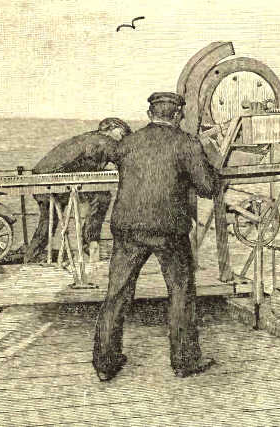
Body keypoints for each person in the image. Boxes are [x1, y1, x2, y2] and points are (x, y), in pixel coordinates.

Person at [93, 92, 220, 381]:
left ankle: (104, 363)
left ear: (150, 114)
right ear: (177, 116)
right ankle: (185, 361)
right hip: (168, 230)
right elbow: (207, 188)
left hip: (127, 228)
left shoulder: (127, 143)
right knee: (181, 292)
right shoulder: (187, 143)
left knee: (116, 294)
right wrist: (209, 157)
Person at [22, 117, 131, 264]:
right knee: (102, 197)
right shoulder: (105, 141)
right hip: (53, 184)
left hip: (42, 182)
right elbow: (123, 161)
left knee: (48, 220)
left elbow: (87, 164)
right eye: (122, 134)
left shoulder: (89, 138)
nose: (123, 139)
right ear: (111, 129)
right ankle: (90, 242)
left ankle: (32, 254)